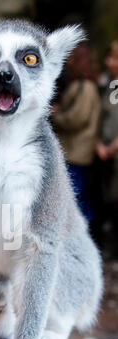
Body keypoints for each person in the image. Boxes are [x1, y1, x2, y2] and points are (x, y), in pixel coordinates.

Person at [52, 44, 100, 224]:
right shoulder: (79, 85)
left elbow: (77, 118)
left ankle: (81, 235)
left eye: (72, 56)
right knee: (78, 197)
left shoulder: (85, 87)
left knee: (75, 196)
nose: (68, 59)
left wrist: (55, 114)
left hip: (77, 154)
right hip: (74, 152)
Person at [95, 41, 118, 257]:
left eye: (113, 58)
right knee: (107, 201)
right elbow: (102, 118)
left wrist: (113, 146)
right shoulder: (110, 84)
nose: (109, 62)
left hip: (114, 152)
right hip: (106, 154)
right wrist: (99, 143)